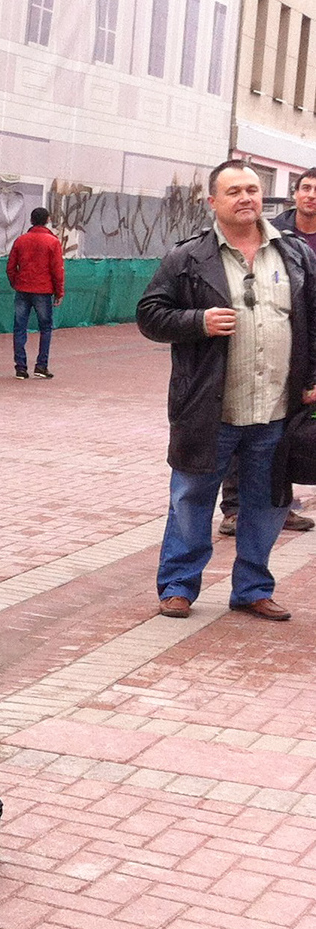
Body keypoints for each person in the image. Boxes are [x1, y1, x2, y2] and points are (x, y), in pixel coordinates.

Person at [138, 159, 316, 622]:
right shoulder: (188, 257)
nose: (246, 198)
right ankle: (178, 586)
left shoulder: (295, 254)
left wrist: (313, 379)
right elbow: (150, 315)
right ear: (213, 201)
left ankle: (253, 588)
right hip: (207, 408)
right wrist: (197, 321)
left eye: (253, 190)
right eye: (234, 191)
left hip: (278, 408)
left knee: (268, 505)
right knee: (191, 499)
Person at [218, 167, 316, 534]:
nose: (311, 195)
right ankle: (233, 508)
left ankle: (282, 502)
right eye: (305, 187)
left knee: (283, 433)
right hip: (254, 345)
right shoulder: (276, 234)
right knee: (237, 417)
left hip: (301, 345)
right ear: (295, 193)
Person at [7, 207, 64, 380]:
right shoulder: (52, 242)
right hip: (43, 290)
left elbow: (10, 267)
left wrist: (16, 282)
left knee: (19, 328)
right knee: (45, 328)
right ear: (47, 220)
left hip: (23, 288)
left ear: (31, 220)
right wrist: (59, 291)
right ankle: (41, 365)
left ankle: (21, 367)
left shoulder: (20, 240)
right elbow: (57, 270)